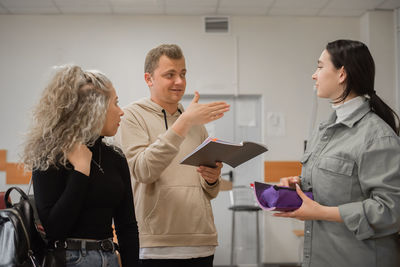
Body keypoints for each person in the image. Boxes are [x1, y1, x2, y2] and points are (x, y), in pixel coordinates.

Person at [276, 39, 400, 267]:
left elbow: (391, 211)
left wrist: (321, 212)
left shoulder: (377, 136)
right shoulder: (324, 129)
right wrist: (299, 187)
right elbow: (335, 188)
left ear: (341, 74)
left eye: (320, 67)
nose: (314, 75)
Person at [115, 44, 230, 267]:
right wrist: (184, 122)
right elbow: (143, 170)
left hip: (201, 241)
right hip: (155, 246)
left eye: (183, 74)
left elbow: (209, 191)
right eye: (170, 75)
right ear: (149, 79)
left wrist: (212, 178)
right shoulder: (131, 116)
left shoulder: (194, 123)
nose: (179, 81)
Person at [22, 65, 139, 267]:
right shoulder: (50, 155)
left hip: (109, 257)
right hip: (68, 260)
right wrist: (81, 171)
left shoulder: (115, 157)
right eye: (115, 103)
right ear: (94, 109)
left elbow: (127, 226)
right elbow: (54, 229)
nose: (121, 112)